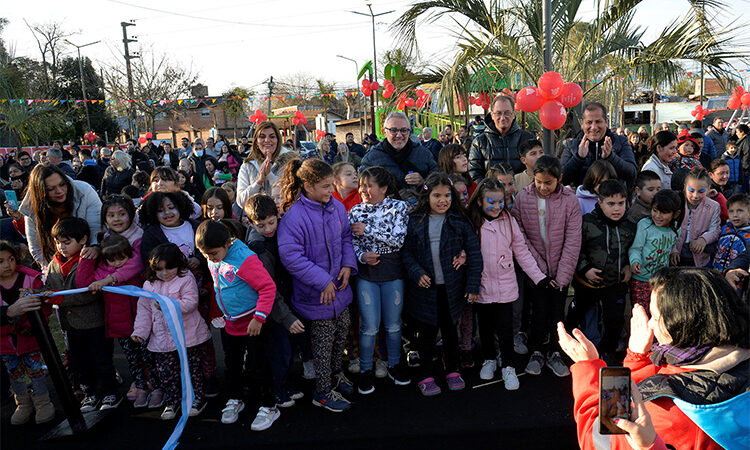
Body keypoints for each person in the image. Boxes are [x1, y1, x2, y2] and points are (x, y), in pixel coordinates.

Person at [560, 268, 750, 450]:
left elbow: (601, 439)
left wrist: (588, 367)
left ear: (683, 325)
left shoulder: (666, 408)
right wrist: (639, 358)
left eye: (656, 317)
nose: (650, 324)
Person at [277, 158, 357, 412]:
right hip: (317, 295)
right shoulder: (294, 217)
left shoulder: (336, 207)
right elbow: (291, 257)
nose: (331, 191)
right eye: (325, 186)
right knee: (322, 345)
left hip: (340, 291)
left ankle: (335, 375)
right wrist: (323, 281)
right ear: (308, 186)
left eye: (332, 185)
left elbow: (345, 236)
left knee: (341, 333)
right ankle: (322, 392)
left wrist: (347, 264)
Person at [401, 172, 482, 396]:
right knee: (426, 335)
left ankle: (452, 369)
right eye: (436, 195)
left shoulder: (459, 221)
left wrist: (473, 286)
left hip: (452, 289)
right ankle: (426, 374)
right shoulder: (415, 220)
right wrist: (416, 272)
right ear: (426, 196)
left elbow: (474, 254)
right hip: (425, 290)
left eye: (447, 195)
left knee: (449, 331)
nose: (442, 200)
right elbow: (406, 253)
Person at [195, 220, 279, 430]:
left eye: (213, 253)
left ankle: (269, 406)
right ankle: (235, 398)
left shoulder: (245, 259)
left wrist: (259, 318)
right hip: (230, 321)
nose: (209, 258)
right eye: (205, 254)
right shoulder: (213, 256)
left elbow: (268, 287)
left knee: (259, 366)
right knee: (232, 364)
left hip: (252, 322)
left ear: (227, 243)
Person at [465, 178, 549, 389]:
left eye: (500, 201)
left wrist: (538, 276)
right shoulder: (473, 223)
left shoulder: (509, 221)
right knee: (484, 326)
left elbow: (521, 251)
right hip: (482, 285)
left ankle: (508, 365)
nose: (496, 207)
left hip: (505, 285)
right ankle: (489, 359)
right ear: (479, 202)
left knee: (505, 328)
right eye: (491, 202)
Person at [511, 155, 582, 377]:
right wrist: (538, 269)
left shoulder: (570, 201)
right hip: (535, 271)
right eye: (539, 181)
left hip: (561, 271)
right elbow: (519, 235)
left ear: (559, 179)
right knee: (537, 312)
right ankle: (536, 352)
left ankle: (554, 352)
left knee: (556, 314)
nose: (543, 187)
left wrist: (562, 276)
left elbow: (573, 240)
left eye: (548, 183)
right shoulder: (522, 199)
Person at [40, 218, 121, 411]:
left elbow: (88, 293)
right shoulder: (54, 263)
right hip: (71, 325)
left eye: (67, 242)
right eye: (58, 242)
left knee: (101, 359)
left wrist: (57, 299)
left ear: (83, 239)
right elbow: (50, 286)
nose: (61, 247)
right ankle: (90, 394)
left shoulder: (91, 260)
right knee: (80, 362)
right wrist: (46, 294)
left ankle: (111, 392)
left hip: (94, 322)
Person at [348, 167, 411, 394]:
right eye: (362, 186)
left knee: (394, 326)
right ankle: (366, 370)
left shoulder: (399, 207)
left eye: (369, 186)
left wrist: (368, 230)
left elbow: (398, 240)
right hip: (367, 276)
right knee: (369, 327)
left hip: (393, 275)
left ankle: (394, 364)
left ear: (383, 188)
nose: (364, 190)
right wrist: (361, 256)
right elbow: (351, 244)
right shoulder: (355, 211)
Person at [243, 194, 309, 407]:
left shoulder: (277, 233)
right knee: (278, 350)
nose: (268, 228)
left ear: (278, 214)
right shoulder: (259, 246)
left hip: (283, 298)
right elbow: (267, 288)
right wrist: (286, 317)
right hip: (271, 307)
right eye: (261, 225)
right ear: (251, 223)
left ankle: (284, 383)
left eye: (271, 222)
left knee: (285, 348)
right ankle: (277, 390)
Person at [132, 243, 210, 419]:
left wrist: (168, 306)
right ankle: (173, 401)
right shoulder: (148, 284)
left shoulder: (185, 278)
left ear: (179, 265)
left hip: (187, 336)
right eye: (159, 269)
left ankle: (197, 398)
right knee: (166, 372)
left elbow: (191, 302)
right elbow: (144, 310)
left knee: (191, 369)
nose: (165, 273)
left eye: (170, 268)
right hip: (162, 339)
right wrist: (140, 332)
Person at [76, 234, 148, 407]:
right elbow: (83, 283)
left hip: (143, 325)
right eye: (111, 260)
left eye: (121, 258)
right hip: (121, 327)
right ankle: (140, 387)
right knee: (133, 360)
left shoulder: (134, 270)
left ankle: (157, 387)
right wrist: (85, 259)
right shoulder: (101, 273)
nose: (117, 263)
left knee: (149, 358)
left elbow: (137, 263)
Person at [570, 180, 636, 361]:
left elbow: (634, 248)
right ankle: (568, 339)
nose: (617, 209)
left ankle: (607, 351)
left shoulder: (630, 224)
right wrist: (585, 269)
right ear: (599, 203)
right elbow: (576, 249)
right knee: (579, 311)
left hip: (616, 283)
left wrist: (629, 264)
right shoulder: (587, 223)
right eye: (611, 204)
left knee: (614, 319)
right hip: (588, 282)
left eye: (621, 203)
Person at [0, 241, 55, 425]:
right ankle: (23, 403)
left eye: (11, 259)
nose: (7, 265)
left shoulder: (30, 280)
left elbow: (45, 309)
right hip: (5, 344)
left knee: (35, 371)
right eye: (0, 261)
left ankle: (42, 402)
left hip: (30, 339)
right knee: (14, 373)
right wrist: (10, 327)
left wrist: (31, 327)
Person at [19, 164, 102, 267]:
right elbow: (36, 248)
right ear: (40, 191)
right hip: (55, 262)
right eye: (51, 189)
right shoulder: (31, 206)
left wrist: (95, 247)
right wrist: (55, 269)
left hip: (89, 258)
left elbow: (96, 228)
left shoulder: (84, 191)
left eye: (62, 184)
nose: (59, 191)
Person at [561, 102, 637, 187]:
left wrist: (611, 157)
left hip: (613, 198)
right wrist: (578, 158)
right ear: (582, 123)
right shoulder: (572, 145)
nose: (593, 127)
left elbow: (632, 174)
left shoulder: (621, 142)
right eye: (589, 122)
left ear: (606, 122)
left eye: (598, 122)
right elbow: (562, 178)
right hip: (582, 199)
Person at [629, 189, 681, 311]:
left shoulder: (676, 229)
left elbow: (672, 245)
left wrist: (674, 252)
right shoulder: (644, 225)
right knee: (641, 312)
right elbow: (636, 248)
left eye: (663, 213)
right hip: (641, 279)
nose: (657, 216)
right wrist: (634, 261)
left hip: (661, 280)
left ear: (675, 214)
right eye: (655, 211)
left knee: (659, 312)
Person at [360, 112, 437, 190]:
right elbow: (363, 188)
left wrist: (423, 182)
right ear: (384, 132)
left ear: (409, 132)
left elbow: (437, 183)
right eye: (393, 130)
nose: (399, 135)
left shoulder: (423, 154)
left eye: (404, 130)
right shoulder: (371, 159)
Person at [469, 95, 534, 179]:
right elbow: (474, 172)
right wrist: (488, 189)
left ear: (514, 114)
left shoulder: (527, 139)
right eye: (498, 113)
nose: (502, 118)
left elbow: (536, 167)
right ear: (492, 115)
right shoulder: (479, 142)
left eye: (507, 113)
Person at [671, 167, 721, 267]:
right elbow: (667, 226)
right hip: (675, 257)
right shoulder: (676, 202)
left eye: (701, 191)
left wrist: (704, 239)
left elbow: (715, 230)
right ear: (685, 187)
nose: (695, 196)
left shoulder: (713, 206)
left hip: (700, 260)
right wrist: (673, 249)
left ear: (708, 188)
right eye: (691, 190)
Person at [138, 191, 201, 270]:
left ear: (180, 207)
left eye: (171, 207)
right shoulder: (151, 234)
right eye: (160, 210)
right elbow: (148, 260)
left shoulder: (197, 227)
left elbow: (210, 247)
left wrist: (199, 259)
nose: (167, 212)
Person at [236, 122, 286, 210]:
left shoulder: (289, 162)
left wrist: (270, 175)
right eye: (262, 137)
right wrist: (258, 182)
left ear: (278, 140)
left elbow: (291, 195)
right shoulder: (247, 165)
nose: (267, 140)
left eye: (272, 136)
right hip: (257, 221)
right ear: (256, 142)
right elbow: (241, 202)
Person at [712, 193, 750, 273]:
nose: (735, 215)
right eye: (731, 211)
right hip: (716, 273)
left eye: (740, 211)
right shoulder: (724, 228)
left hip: (736, 278)